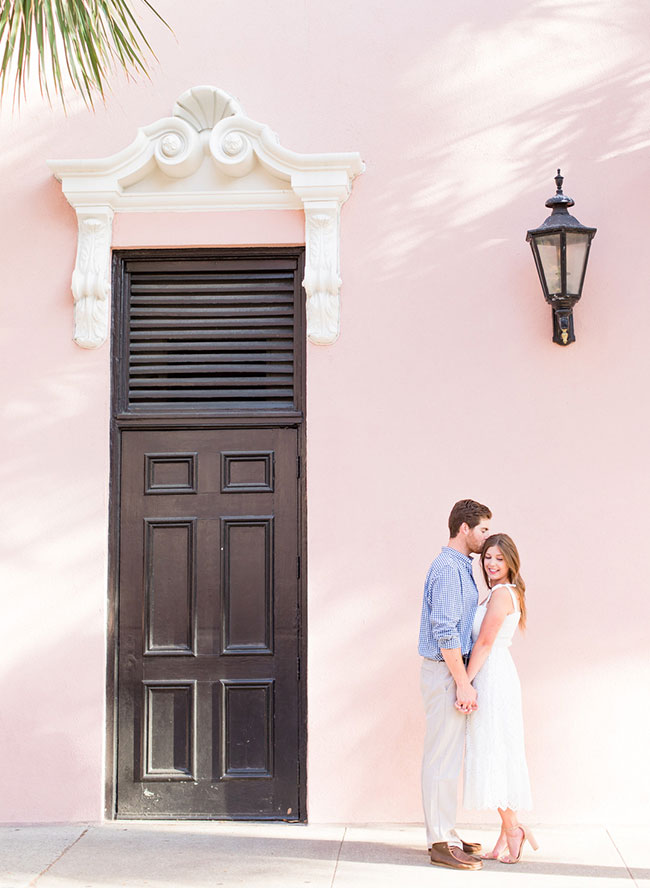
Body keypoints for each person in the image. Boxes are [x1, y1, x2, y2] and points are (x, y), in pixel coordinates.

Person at [418, 499, 492, 871]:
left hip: (451, 670)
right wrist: (462, 682)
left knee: (448, 756)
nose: (486, 536)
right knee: (440, 756)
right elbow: (444, 630)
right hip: (446, 670)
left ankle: (445, 829)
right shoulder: (449, 569)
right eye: (482, 529)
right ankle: (438, 841)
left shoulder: (459, 567)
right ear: (464, 528)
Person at [462, 533, 538, 864]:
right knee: (494, 749)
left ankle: (513, 829)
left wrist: (464, 682)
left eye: (499, 558)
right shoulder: (496, 593)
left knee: (493, 750)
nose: (491, 563)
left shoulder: (502, 595)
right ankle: (508, 829)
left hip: (493, 676)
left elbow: (485, 643)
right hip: (493, 673)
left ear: (510, 562)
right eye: (488, 557)